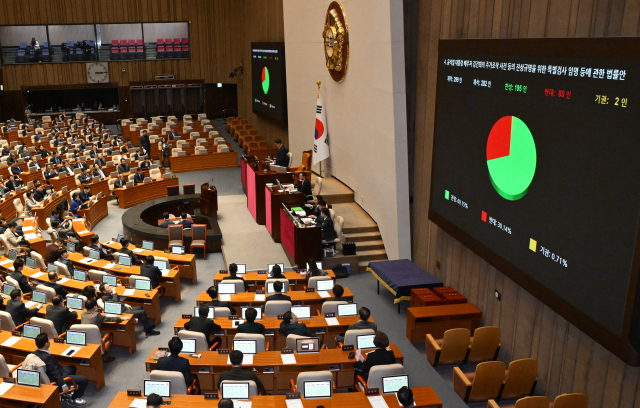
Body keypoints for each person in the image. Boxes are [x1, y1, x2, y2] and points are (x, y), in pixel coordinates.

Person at [34, 333, 88, 406]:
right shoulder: (47, 358)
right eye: (49, 340)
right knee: (84, 379)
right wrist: (63, 385)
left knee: (72, 368)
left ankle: (68, 393)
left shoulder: (36, 352)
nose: (50, 341)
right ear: (46, 344)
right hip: (58, 378)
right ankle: (74, 398)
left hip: (57, 372)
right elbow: (55, 373)